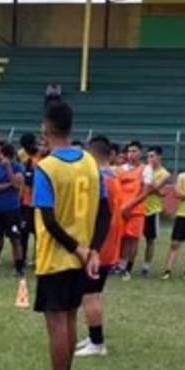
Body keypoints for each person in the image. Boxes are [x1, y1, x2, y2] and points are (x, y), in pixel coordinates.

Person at [29, 101, 109, 370]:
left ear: (45, 128)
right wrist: (92, 250)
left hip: (57, 257)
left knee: (57, 324)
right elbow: (105, 211)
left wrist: (77, 248)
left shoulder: (46, 167)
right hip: (83, 257)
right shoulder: (90, 162)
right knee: (71, 317)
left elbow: (48, 220)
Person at [74, 135, 123, 358]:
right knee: (94, 293)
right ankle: (93, 336)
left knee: (89, 294)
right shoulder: (113, 177)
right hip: (109, 242)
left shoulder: (100, 179)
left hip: (99, 245)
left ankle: (97, 342)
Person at [0, 142, 27, 278]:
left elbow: (17, 184)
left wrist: (8, 169)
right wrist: (8, 185)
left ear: (6, 155)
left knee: (15, 240)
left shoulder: (18, 168)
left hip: (12, 210)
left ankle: (19, 269)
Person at [138, 146, 171, 276]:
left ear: (159, 157)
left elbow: (151, 188)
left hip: (152, 210)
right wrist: (159, 191)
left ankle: (146, 266)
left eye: (152, 156)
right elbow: (155, 189)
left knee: (150, 240)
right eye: (148, 156)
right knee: (131, 238)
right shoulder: (144, 169)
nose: (149, 159)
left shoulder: (165, 174)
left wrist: (149, 185)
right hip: (139, 207)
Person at [115, 141, 145, 279]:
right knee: (119, 238)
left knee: (131, 239)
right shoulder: (119, 169)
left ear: (140, 153)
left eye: (134, 151)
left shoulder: (145, 170)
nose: (131, 154)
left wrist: (130, 206)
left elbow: (145, 191)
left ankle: (127, 268)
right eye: (129, 151)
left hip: (136, 210)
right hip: (120, 210)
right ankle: (118, 265)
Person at [17, 132, 41, 263]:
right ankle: (22, 259)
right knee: (23, 233)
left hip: (38, 203)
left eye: (28, 146)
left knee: (39, 233)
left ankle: (38, 259)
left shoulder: (42, 158)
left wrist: (27, 177)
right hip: (26, 202)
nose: (26, 149)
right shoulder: (26, 159)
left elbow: (32, 180)